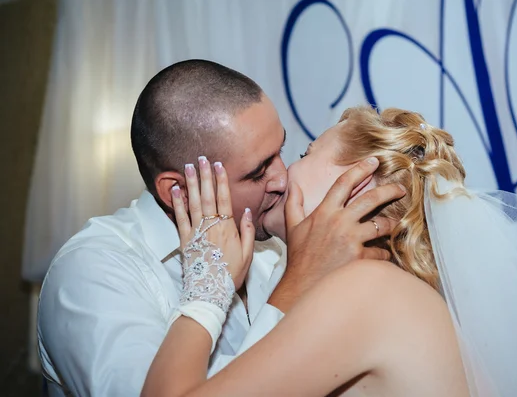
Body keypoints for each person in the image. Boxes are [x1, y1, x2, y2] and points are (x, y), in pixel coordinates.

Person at [142, 107, 517, 396]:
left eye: (304, 152)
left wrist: (207, 282)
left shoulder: (368, 291)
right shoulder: (389, 291)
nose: (280, 177)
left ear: (357, 186)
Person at [36, 61, 402, 396]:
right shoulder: (93, 271)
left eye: (282, 152)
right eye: (258, 171)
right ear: (177, 190)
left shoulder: (275, 243)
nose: (281, 177)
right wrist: (298, 281)